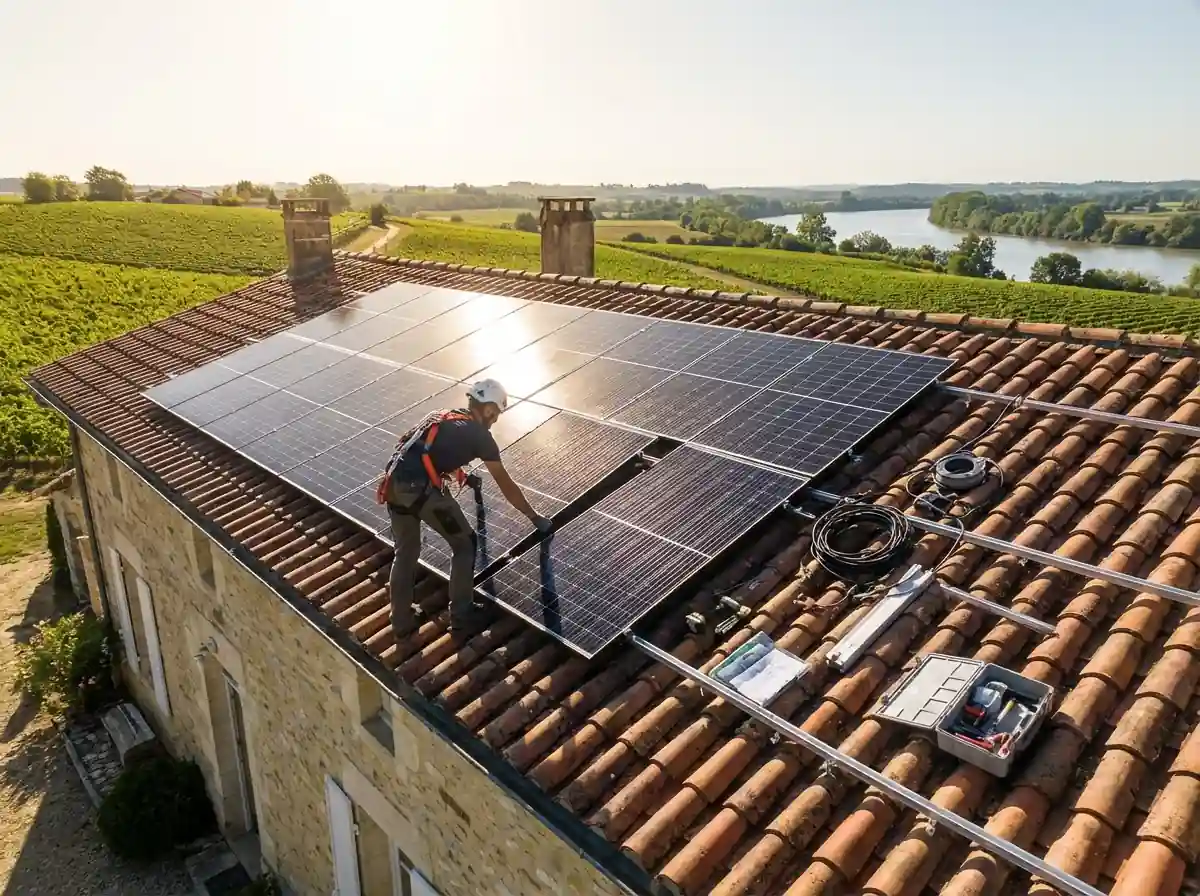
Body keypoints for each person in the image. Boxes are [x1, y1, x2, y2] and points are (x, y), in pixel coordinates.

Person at [378, 378, 552, 634]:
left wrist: (465, 477)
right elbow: (506, 485)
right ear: (489, 409)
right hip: (421, 491)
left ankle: (401, 621)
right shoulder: (481, 437)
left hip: (393, 486)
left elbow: (429, 451)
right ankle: (462, 615)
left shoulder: (444, 416)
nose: (494, 421)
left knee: (405, 552)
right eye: (496, 415)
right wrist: (535, 517)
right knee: (465, 544)